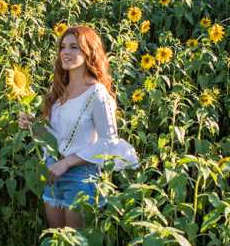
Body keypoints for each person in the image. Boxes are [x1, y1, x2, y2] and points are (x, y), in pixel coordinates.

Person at [17, 24, 139, 230]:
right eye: (63, 47)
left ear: (89, 52)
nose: (66, 52)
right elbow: (59, 138)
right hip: (53, 173)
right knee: (57, 245)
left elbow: (108, 142)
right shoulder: (59, 92)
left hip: (82, 176)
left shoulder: (97, 94)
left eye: (74, 47)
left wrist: (68, 163)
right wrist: (32, 126)